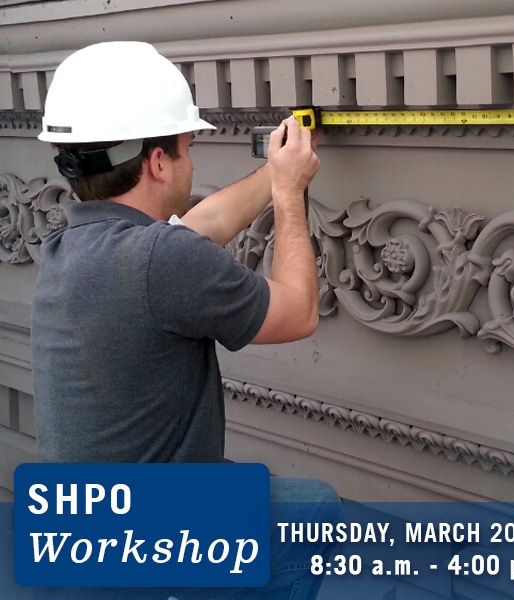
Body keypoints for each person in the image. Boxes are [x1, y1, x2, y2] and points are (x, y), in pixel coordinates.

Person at [31, 41, 340, 600]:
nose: (191, 163)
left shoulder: (72, 249)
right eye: (187, 149)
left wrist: (277, 170)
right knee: (313, 513)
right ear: (156, 162)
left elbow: (205, 222)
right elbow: (297, 313)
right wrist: (292, 193)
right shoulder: (160, 261)